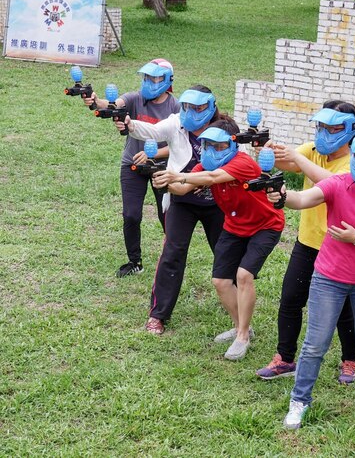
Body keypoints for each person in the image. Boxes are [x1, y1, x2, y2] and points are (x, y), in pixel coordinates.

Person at [271, 130, 355, 430]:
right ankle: (300, 400)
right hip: (329, 277)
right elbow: (303, 198)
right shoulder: (337, 183)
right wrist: (281, 195)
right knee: (315, 344)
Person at [152, 118, 285, 360]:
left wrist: (178, 176)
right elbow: (183, 189)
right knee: (221, 282)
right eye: (207, 145)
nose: (212, 150)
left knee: (243, 275)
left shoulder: (242, 163)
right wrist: (165, 181)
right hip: (234, 226)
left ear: (233, 145)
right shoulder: (205, 165)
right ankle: (240, 326)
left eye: (219, 146)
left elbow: (212, 178)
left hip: (265, 225)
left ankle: (242, 336)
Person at [256, 101, 355, 384]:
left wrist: (298, 159)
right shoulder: (311, 151)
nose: (324, 133)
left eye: (333, 128)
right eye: (321, 127)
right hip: (307, 242)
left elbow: (335, 185)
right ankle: (285, 359)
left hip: (340, 245)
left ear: (352, 130)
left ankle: (350, 360)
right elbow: (286, 161)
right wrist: (265, 150)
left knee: (343, 310)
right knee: (290, 299)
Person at [116, 85, 225, 335]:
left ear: (210, 107)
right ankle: (158, 315)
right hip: (180, 201)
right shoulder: (176, 123)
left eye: (196, 108)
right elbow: (153, 130)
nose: (189, 113)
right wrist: (130, 123)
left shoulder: (224, 131)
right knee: (172, 254)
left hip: (216, 202)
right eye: (186, 107)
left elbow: (231, 167)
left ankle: (236, 306)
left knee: (226, 253)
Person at [84, 58, 179, 278]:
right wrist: (95, 100)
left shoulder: (175, 107)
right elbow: (112, 105)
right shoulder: (134, 98)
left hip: (161, 167)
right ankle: (134, 261)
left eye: (154, 78)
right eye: (147, 77)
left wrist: (153, 152)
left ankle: (172, 257)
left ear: (167, 80)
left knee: (166, 215)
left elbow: (180, 145)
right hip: (132, 164)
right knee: (131, 215)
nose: (149, 82)